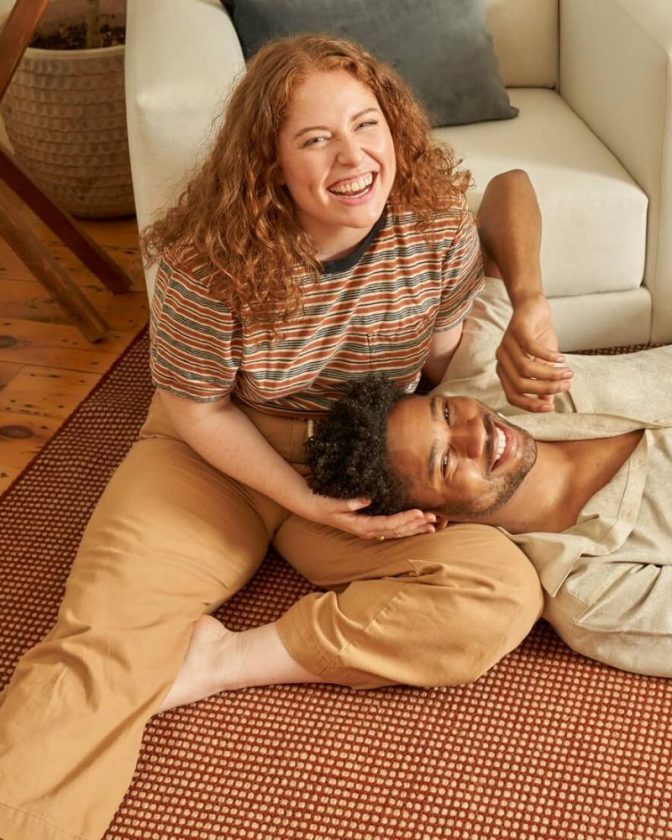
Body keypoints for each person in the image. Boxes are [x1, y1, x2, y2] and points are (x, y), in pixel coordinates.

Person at [0, 35, 560, 840]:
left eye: (368, 125)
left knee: (499, 592)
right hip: (218, 451)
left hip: (362, 459)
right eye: (315, 138)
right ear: (268, 160)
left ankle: (219, 662)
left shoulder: (434, 226)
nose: (354, 156)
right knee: (104, 644)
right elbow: (196, 407)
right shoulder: (207, 263)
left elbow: (506, 200)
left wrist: (527, 307)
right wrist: (300, 498)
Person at [307, 277, 672, 678]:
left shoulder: (486, 380)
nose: (475, 434)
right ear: (435, 518)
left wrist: (528, 296)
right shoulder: (594, 590)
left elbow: (502, 215)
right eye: (445, 463)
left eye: (446, 413)